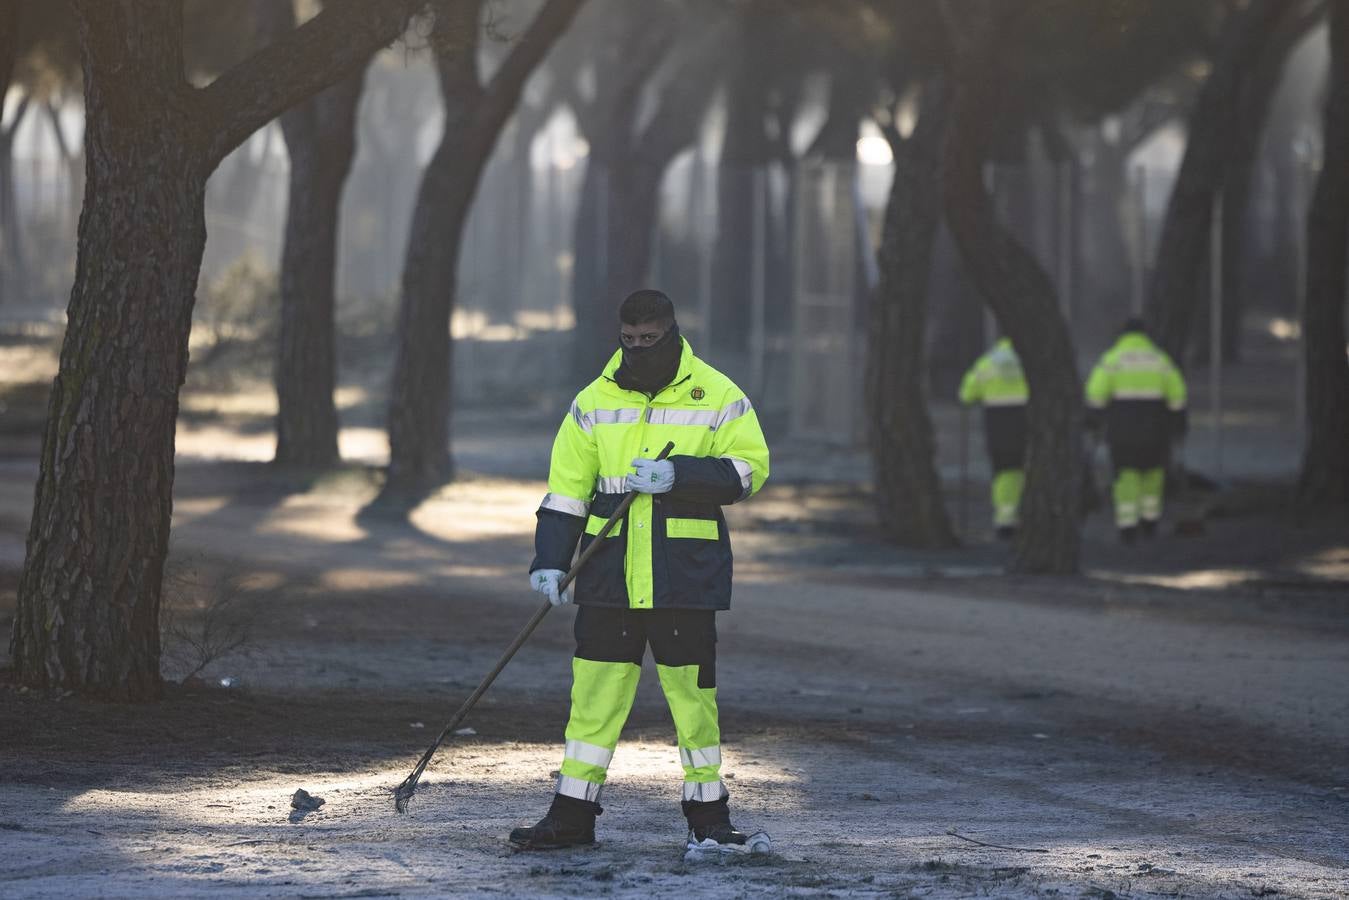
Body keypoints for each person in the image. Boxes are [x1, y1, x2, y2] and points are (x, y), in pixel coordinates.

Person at [509, 289, 770, 851]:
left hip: (684, 579)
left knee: (693, 703)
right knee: (593, 699)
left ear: (672, 332)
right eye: (628, 340)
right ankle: (571, 817)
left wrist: (679, 474)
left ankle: (710, 820)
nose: (637, 348)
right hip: (607, 577)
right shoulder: (593, 401)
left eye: (648, 339)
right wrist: (550, 562)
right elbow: (565, 495)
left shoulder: (717, 394)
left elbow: (750, 471)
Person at [1084, 317, 1187, 543]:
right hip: (1156, 428)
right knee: (1153, 473)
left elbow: (1096, 394)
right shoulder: (1160, 360)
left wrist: (1093, 421)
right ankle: (1150, 521)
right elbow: (1178, 394)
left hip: (1122, 429)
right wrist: (1178, 423)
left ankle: (1127, 525)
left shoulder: (1112, 359)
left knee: (1126, 475)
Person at [958, 337, 1028, 539]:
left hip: (998, 427)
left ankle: (1005, 521)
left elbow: (966, 395)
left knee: (1004, 473)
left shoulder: (987, 363)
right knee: (1030, 472)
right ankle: (1030, 517)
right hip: (1028, 424)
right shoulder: (1032, 363)